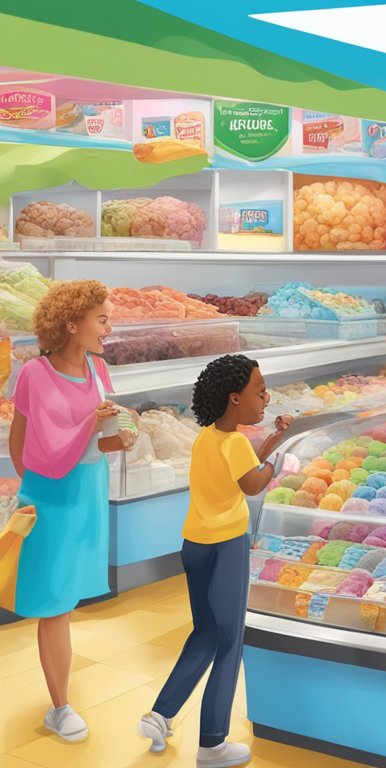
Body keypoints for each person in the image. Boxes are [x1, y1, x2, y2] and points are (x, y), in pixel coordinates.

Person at [139, 355, 292, 767]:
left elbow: (241, 464)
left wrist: (272, 442)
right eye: (259, 391)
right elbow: (253, 483)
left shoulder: (209, 437)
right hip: (227, 547)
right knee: (229, 642)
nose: (266, 397)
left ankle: (160, 713)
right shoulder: (236, 444)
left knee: (204, 634)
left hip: (194, 545)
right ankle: (211, 744)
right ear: (233, 397)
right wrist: (280, 462)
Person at [9, 279, 136, 743]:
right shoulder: (34, 374)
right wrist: (37, 490)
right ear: (71, 323)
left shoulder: (100, 370)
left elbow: (92, 444)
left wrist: (117, 439)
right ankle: (59, 706)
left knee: (71, 595)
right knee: (56, 603)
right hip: (50, 498)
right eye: (101, 318)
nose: (109, 326)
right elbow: (24, 443)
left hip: (87, 493)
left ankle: (60, 699)